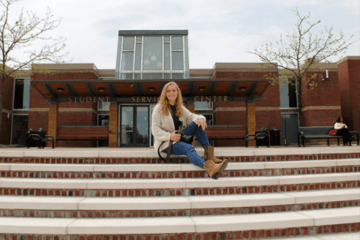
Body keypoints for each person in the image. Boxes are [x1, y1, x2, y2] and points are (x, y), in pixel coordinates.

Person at [151, 81, 228, 179]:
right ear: (165, 94)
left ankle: (210, 155)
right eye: (168, 91)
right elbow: (155, 129)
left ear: (177, 92)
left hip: (179, 137)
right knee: (188, 148)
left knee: (198, 123)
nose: (171, 93)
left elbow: (192, 116)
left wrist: (201, 119)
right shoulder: (159, 109)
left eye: (174, 90)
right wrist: (170, 136)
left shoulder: (180, 108)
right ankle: (210, 168)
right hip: (166, 143)